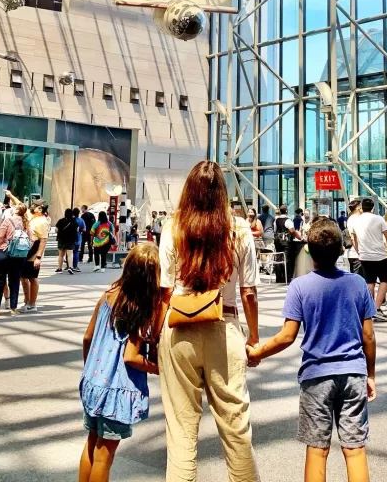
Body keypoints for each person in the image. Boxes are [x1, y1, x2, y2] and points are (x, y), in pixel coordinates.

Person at [246, 216, 375, 482]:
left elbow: (286, 336)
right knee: (355, 450)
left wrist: (258, 352)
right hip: (353, 373)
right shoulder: (358, 284)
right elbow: (368, 336)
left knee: (317, 449)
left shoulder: (300, 286)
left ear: (307, 249)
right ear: (342, 250)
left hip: (316, 376)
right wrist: (370, 374)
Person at [157, 160, 260, 482]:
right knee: (236, 429)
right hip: (224, 328)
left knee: (181, 430)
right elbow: (249, 292)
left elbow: (164, 290)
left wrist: (152, 337)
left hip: (178, 330)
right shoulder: (240, 228)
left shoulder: (173, 226)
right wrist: (253, 338)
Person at [79, 242, 160, 482]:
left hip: (93, 381)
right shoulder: (139, 307)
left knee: (91, 443)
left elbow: (87, 337)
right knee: (105, 454)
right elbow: (131, 357)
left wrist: (90, 368)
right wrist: (157, 368)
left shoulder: (108, 296)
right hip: (116, 390)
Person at [352, 198, 387, 322]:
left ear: (361, 207)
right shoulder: (379, 219)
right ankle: (377, 307)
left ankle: (370, 309)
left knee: (370, 281)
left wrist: (359, 251)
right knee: (385, 280)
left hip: (364, 256)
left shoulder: (356, 221)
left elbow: (354, 238)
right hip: (380, 255)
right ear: (373, 207)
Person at [0, 204, 30, 316]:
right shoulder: (26, 222)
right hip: (19, 256)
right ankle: (13, 308)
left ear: (15, 210)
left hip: (4, 253)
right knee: (14, 281)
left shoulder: (7, 221)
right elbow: (31, 239)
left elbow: (0, 237)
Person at [21, 202, 49, 313]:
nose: (33, 207)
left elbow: (43, 240)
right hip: (26, 250)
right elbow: (20, 205)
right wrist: (11, 196)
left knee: (32, 278)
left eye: (36, 206)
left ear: (41, 209)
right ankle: (27, 300)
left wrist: (38, 257)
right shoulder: (32, 217)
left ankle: (32, 303)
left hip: (34, 252)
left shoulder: (42, 221)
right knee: (23, 277)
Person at [275, 204, 302, 282]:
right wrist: (300, 238)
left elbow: (275, 230)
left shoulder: (276, 220)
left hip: (277, 241)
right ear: (286, 211)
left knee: (278, 258)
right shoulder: (288, 220)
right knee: (287, 258)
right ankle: (286, 277)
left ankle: (279, 277)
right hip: (286, 242)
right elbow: (293, 231)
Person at [55, 208, 78, 275]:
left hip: (61, 239)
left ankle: (59, 268)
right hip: (71, 240)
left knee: (61, 255)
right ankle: (70, 267)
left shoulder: (61, 221)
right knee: (70, 254)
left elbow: (56, 230)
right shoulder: (74, 221)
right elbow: (77, 230)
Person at [345, 199, 362, 276]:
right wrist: (359, 252)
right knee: (358, 276)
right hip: (356, 254)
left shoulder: (351, 218)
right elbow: (353, 237)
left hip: (353, 253)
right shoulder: (356, 219)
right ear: (358, 208)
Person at [73, 207, 85, 272]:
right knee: (76, 252)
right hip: (78, 238)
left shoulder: (70, 220)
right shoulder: (81, 220)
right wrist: (79, 230)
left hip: (70, 238)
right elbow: (84, 229)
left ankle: (69, 265)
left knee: (69, 252)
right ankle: (75, 266)